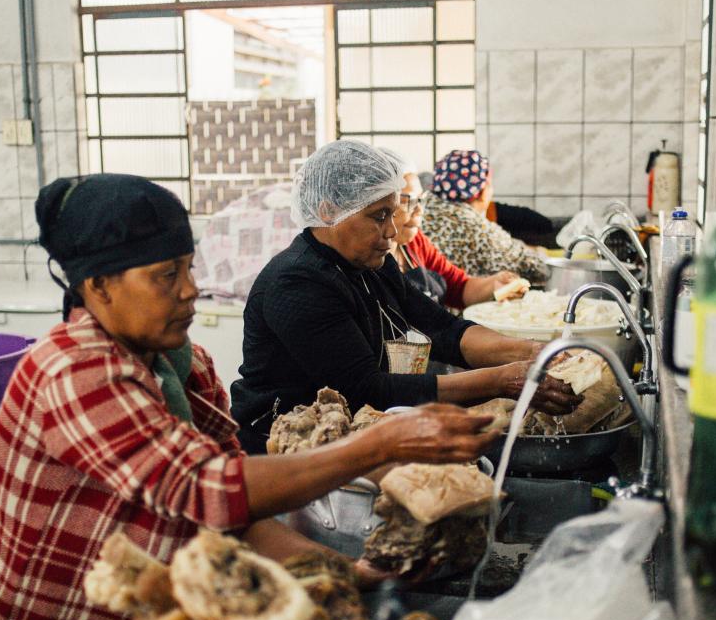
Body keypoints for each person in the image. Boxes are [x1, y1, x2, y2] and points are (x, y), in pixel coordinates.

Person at [0, 173, 497, 620]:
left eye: (189, 268)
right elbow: (207, 490)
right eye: (166, 276)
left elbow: (236, 510)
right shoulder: (75, 370)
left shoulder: (182, 364)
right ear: (98, 286)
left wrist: (347, 575)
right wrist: (378, 446)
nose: (191, 291)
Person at [230, 140, 579, 454]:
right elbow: (369, 388)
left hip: (349, 437)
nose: (393, 231)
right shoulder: (298, 282)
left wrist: (536, 352)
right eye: (379, 216)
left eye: (392, 212)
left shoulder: (371, 264)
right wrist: (502, 380)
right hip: (283, 446)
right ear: (327, 211)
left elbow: (442, 329)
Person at [381, 149, 526, 309]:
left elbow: (459, 287)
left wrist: (494, 284)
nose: (419, 210)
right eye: (409, 201)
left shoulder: (415, 243)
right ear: (380, 205)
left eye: (421, 200)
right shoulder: (364, 260)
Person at [419, 149, 550, 283]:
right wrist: (539, 252)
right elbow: (538, 269)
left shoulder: (418, 211)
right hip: (459, 302)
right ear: (482, 191)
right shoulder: (476, 228)